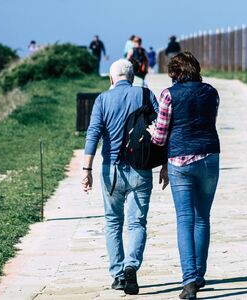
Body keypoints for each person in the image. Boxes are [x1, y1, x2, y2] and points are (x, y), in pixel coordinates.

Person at [82, 59, 169, 295]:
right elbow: (162, 129)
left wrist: (86, 170)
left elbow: (93, 135)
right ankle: (132, 265)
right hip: (140, 168)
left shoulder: (102, 99)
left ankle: (118, 275)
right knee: (137, 222)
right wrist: (164, 165)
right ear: (132, 77)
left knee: (112, 222)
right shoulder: (144, 94)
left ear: (112, 78)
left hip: (110, 170)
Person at [149, 52, 220, 299]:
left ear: (175, 73)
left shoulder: (169, 95)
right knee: (203, 218)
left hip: (180, 159)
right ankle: (200, 274)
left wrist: (151, 133)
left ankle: (189, 280)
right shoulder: (212, 92)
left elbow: (159, 137)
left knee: (185, 219)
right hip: (210, 156)